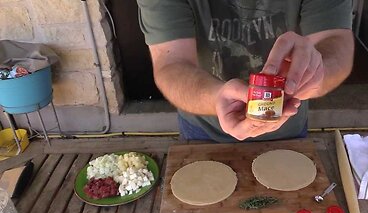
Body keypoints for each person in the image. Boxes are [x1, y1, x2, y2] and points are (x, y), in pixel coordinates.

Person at [136, 0, 354, 142]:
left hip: (287, 126)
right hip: (203, 128)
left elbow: (337, 42)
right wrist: (216, 98)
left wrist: (318, 71)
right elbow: (171, 65)